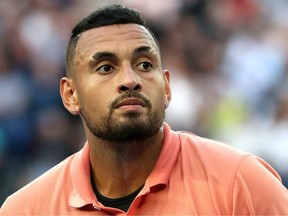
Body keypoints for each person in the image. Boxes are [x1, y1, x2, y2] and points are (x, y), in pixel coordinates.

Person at [1, 4, 287, 215]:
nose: (129, 80)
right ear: (70, 94)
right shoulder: (25, 209)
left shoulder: (241, 182)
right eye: (105, 68)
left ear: (166, 86)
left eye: (144, 65)